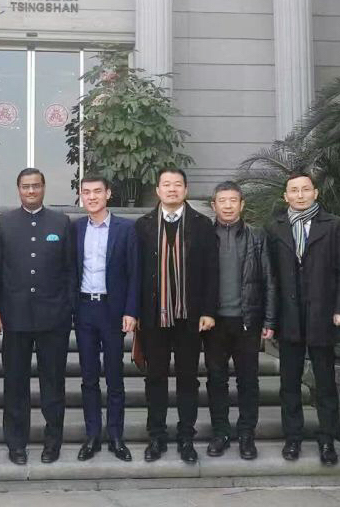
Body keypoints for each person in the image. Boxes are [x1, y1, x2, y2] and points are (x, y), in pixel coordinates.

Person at [0, 168, 76, 465]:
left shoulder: (60, 222)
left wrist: (68, 308)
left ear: (43, 188)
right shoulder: (4, 222)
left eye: (36, 186)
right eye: (25, 186)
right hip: (15, 317)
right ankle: (16, 443)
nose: (31, 191)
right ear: (18, 189)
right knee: (15, 384)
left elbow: (70, 270)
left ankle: (53, 442)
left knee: (53, 383)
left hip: (54, 318)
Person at [267, 172, 340, 465]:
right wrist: (270, 319)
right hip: (288, 317)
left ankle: (327, 440)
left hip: (323, 316)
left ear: (316, 193)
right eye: (294, 190)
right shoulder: (275, 227)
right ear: (285, 196)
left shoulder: (334, 225)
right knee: (289, 383)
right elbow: (271, 277)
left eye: (305, 189)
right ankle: (293, 438)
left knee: (325, 382)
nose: (300, 195)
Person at [134, 167, 219, 464]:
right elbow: (135, 272)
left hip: (190, 317)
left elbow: (212, 271)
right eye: (166, 184)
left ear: (186, 190)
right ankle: (156, 436)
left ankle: (186, 437)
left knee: (188, 379)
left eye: (177, 184)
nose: (172, 189)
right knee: (155, 378)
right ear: (157, 190)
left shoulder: (202, 224)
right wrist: (134, 312)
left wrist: (208, 310)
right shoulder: (143, 226)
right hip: (153, 317)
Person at [205, 181, 277, 461]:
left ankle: (247, 434)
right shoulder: (204, 235)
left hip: (248, 321)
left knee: (248, 381)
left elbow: (269, 279)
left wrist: (269, 319)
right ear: (214, 205)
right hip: (214, 323)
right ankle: (221, 432)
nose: (227, 206)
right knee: (216, 380)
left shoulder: (256, 236)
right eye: (222, 201)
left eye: (233, 200)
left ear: (242, 204)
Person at [73, 174, 140, 462]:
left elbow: (135, 273)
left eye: (97, 191)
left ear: (108, 194)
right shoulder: (75, 228)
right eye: (86, 192)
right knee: (88, 377)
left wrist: (131, 311)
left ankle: (115, 436)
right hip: (85, 309)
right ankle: (92, 435)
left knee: (114, 376)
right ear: (81, 196)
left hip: (113, 311)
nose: (92, 197)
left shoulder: (126, 229)